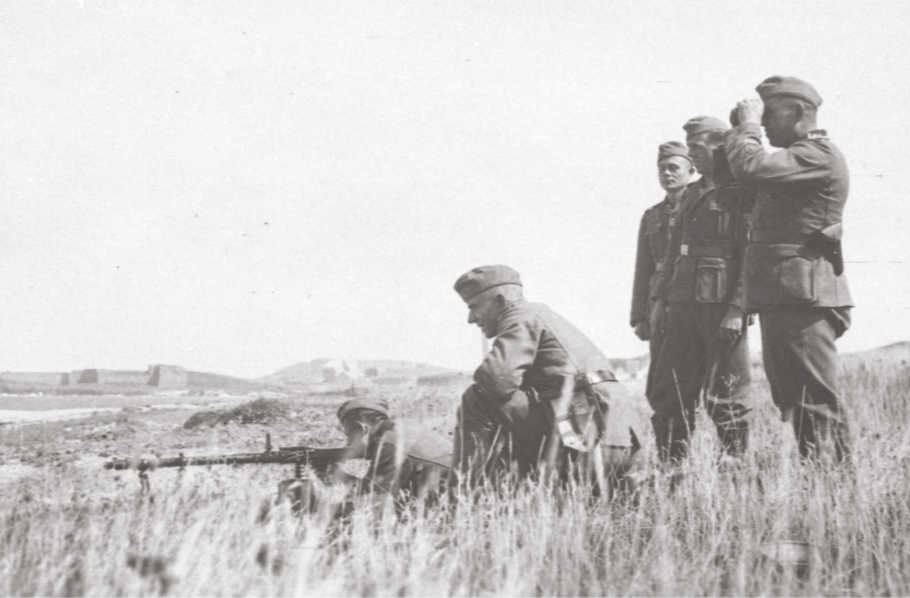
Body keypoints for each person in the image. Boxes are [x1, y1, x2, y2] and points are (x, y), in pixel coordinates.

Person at [727, 76, 853, 462]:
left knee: (814, 398)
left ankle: (834, 491)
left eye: (769, 113)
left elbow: (750, 168)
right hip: (784, 295)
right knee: (794, 396)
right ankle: (821, 484)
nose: (763, 122)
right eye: (759, 115)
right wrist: (737, 132)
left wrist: (746, 129)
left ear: (799, 113)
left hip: (804, 297)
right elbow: (738, 181)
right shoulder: (793, 162)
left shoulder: (816, 155)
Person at [452, 264, 642, 490]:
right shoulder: (541, 314)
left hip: (590, 440)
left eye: (474, 307)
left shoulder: (520, 316)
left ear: (500, 301)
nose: (471, 319)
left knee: (477, 399)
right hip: (621, 442)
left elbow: (496, 381)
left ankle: (464, 498)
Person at [647, 117, 753, 463]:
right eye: (689, 147)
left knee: (726, 391)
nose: (692, 155)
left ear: (719, 145)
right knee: (670, 389)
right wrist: (661, 301)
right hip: (681, 304)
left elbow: (751, 254)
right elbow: (674, 252)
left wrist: (738, 308)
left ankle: (733, 463)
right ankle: (673, 466)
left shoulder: (740, 191)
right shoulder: (691, 194)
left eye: (696, 147)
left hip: (720, 306)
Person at [280, 397, 451, 515]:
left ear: (362, 427)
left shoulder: (388, 444)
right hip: (446, 497)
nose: (348, 443)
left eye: (348, 434)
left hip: (446, 508)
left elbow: (373, 501)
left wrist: (333, 480)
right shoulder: (398, 431)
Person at [630, 141, 697, 397]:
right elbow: (642, 268)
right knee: (663, 378)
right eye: (662, 169)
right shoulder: (652, 216)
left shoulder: (699, 208)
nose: (667, 174)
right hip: (660, 304)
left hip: (694, 300)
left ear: (691, 171)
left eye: (673, 168)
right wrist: (639, 316)